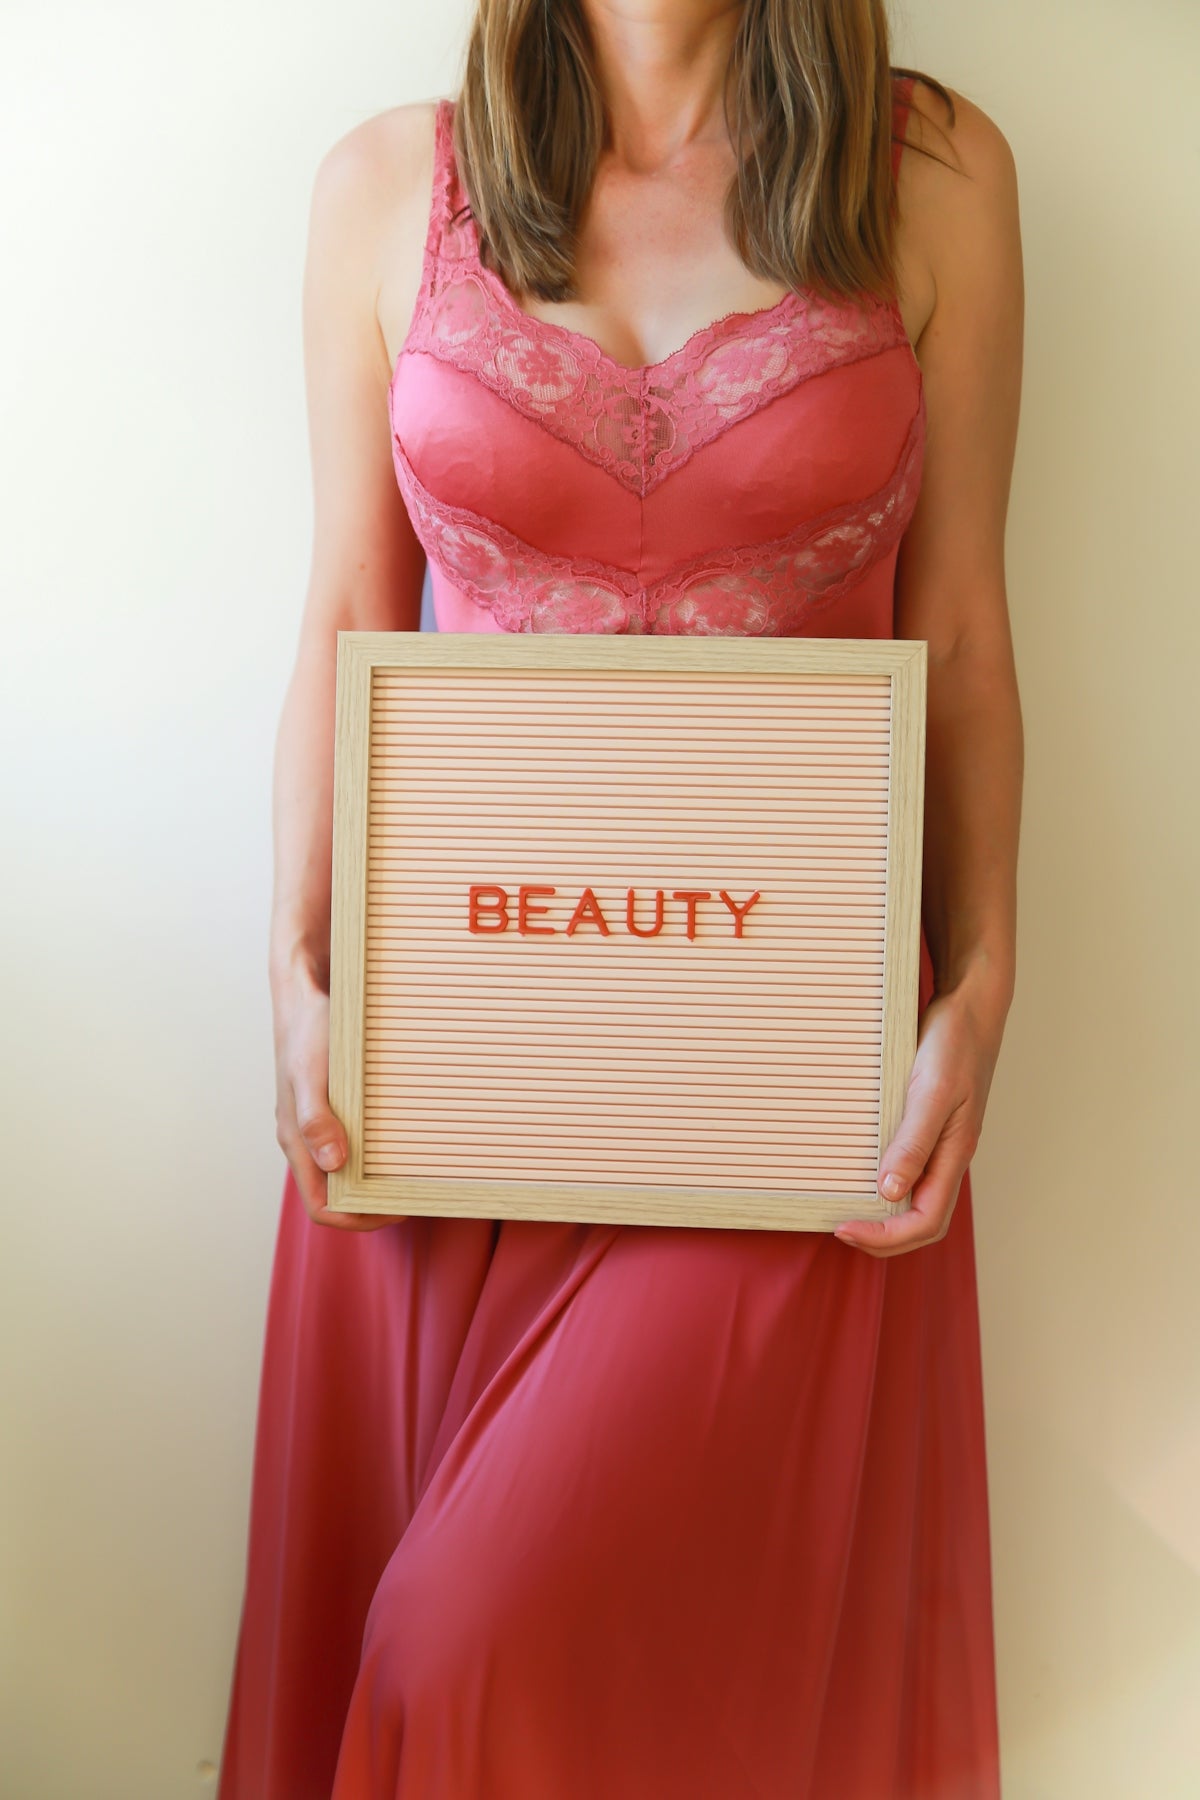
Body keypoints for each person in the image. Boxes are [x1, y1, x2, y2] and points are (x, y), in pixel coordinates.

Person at [217, 0, 1024, 1793]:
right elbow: (347, 609)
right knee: (470, 1662)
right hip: (448, 1068)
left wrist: (982, 979)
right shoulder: (380, 187)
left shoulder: (940, 178)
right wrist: (289, 975)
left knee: (479, 1646)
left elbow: (958, 624)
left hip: (784, 1090)